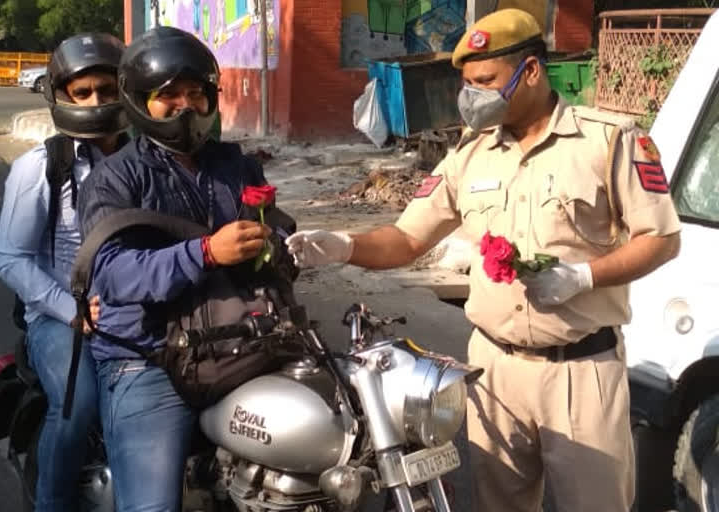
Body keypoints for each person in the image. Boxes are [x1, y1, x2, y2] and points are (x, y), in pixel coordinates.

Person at [285, 9, 681, 512]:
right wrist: (345, 245)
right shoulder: (470, 154)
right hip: (492, 369)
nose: (471, 95)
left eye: (485, 81)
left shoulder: (609, 141)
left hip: (580, 372)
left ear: (531, 71)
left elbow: (661, 238)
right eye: (467, 83)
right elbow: (407, 238)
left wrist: (584, 276)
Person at [76, 26, 275, 511]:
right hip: (150, 355)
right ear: (141, 102)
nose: (185, 105)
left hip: (236, 342)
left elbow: (267, 236)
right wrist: (205, 253)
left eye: (196, 93)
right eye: (168, 95)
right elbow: (115, 275)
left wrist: (281, 243)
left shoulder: (235, 165)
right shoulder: (115, 176)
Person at [0, 33, 128, 511]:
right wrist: (69, 309)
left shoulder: (144, 160)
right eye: (83, 92)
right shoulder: (41, 166)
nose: (97, 101)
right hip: (58, 315)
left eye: (108, 90)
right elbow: (10, 258)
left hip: (136, 308)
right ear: (62, 97)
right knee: (79, 406)